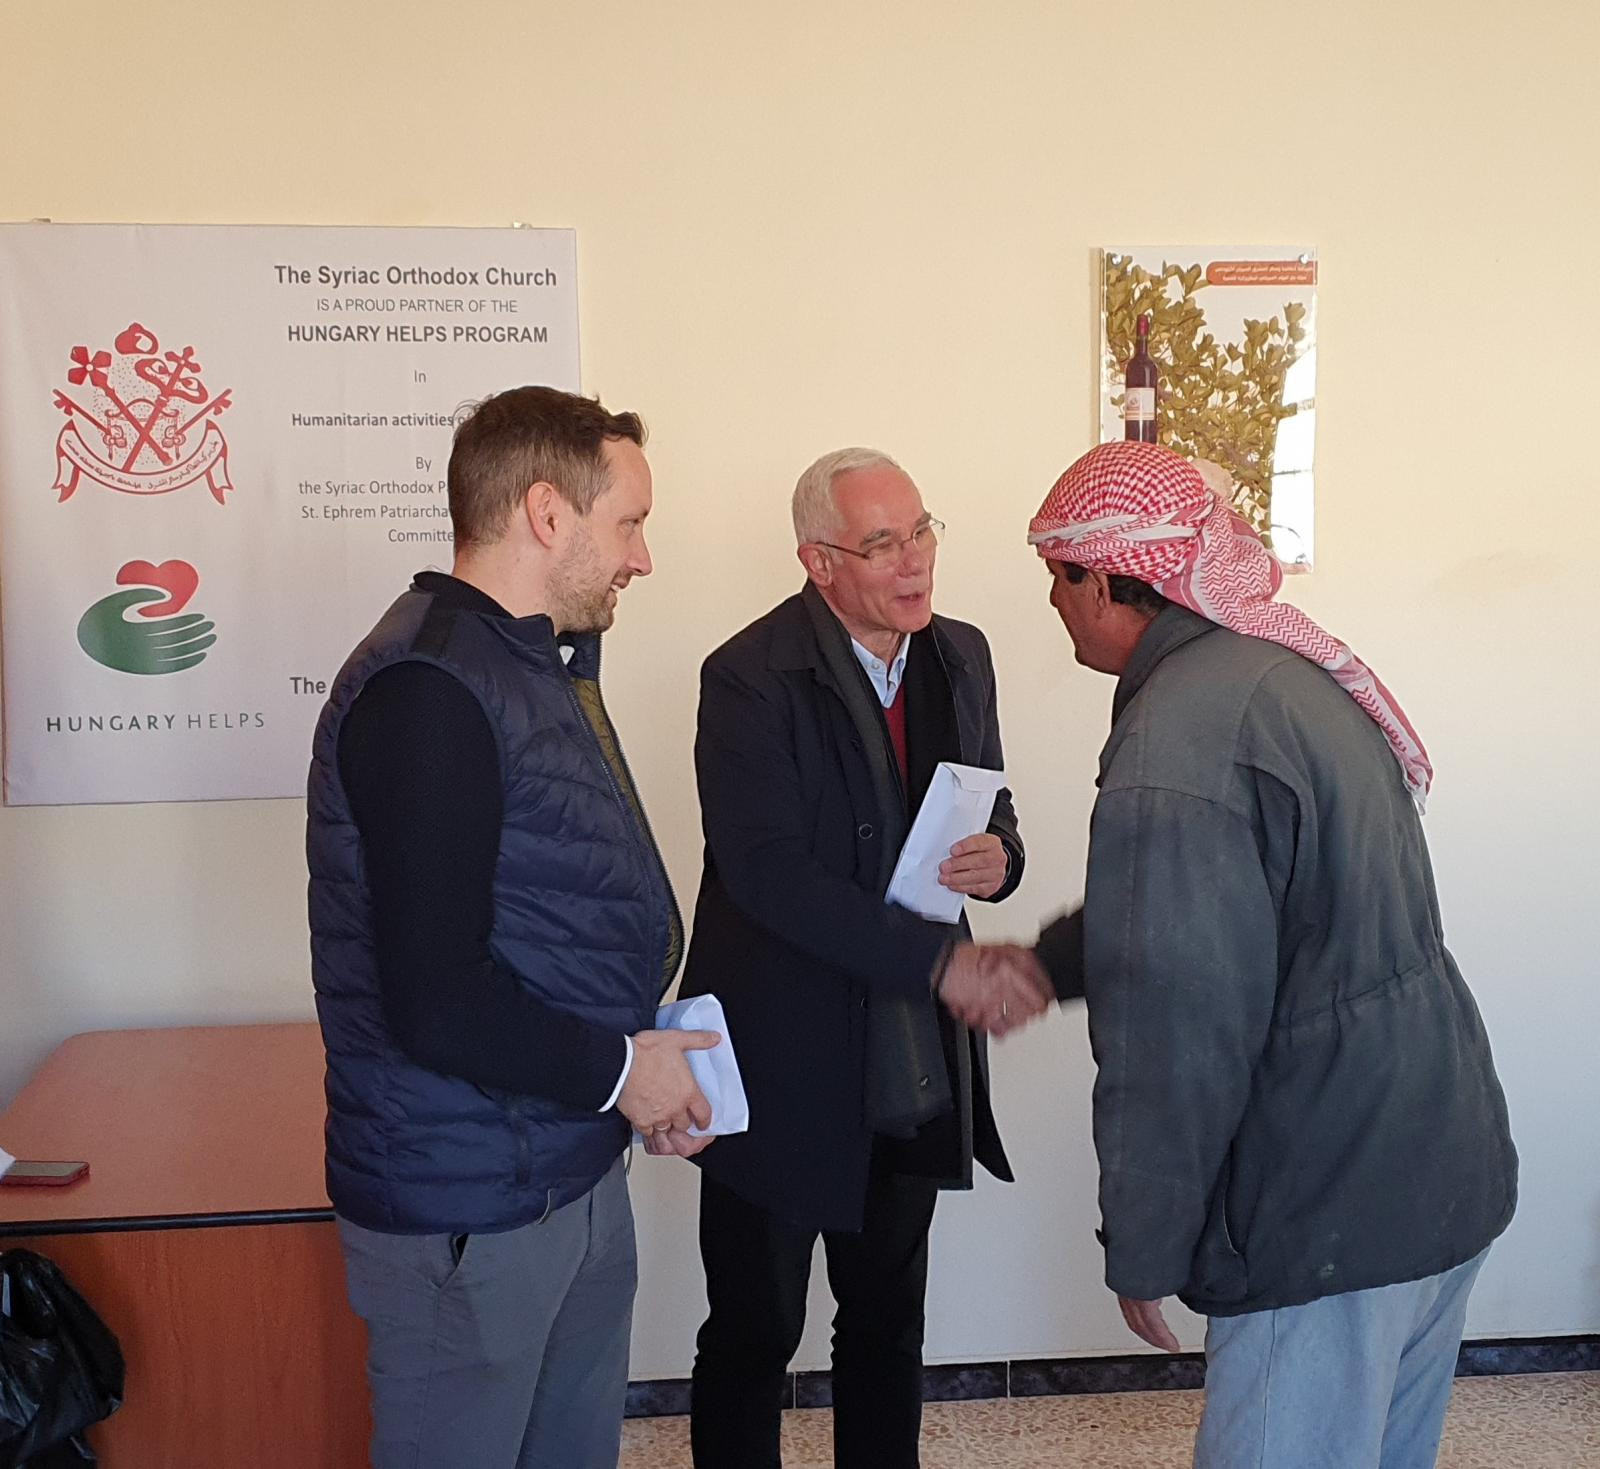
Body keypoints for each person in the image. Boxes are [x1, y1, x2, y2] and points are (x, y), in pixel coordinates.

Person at [1026, 440, 1518, 1469]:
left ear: (1109, 580)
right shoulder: (1280, 676)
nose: (1052, 603)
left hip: (1326, 1204)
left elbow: (1176, 1028)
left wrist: (1143, 1242)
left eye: (1057, 577)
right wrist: (1045, 964)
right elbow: (1257, 900)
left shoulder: (1178, 738)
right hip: (1435, 1152)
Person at [305, 385, 718, 1469]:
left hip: (565, 1166)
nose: (641, 559)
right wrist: (621, 1070)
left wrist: (639, 1069)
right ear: (546, 511)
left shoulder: (523, 663)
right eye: (628, 523)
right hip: (470, 1206)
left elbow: (551, 921)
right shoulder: (427, 687)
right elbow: (435, 995)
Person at [679, 446, 1050, 1469]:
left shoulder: (960, 654)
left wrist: (1002, 856)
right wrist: (936, 964)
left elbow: (989, 800)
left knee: (886, 1320)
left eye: (921, 530)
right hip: (781, 1048)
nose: (915, 559)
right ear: (819, 561)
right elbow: (768, 876)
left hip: (907, 1049)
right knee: (754, 1327)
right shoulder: (745, 676)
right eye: (882, 543)